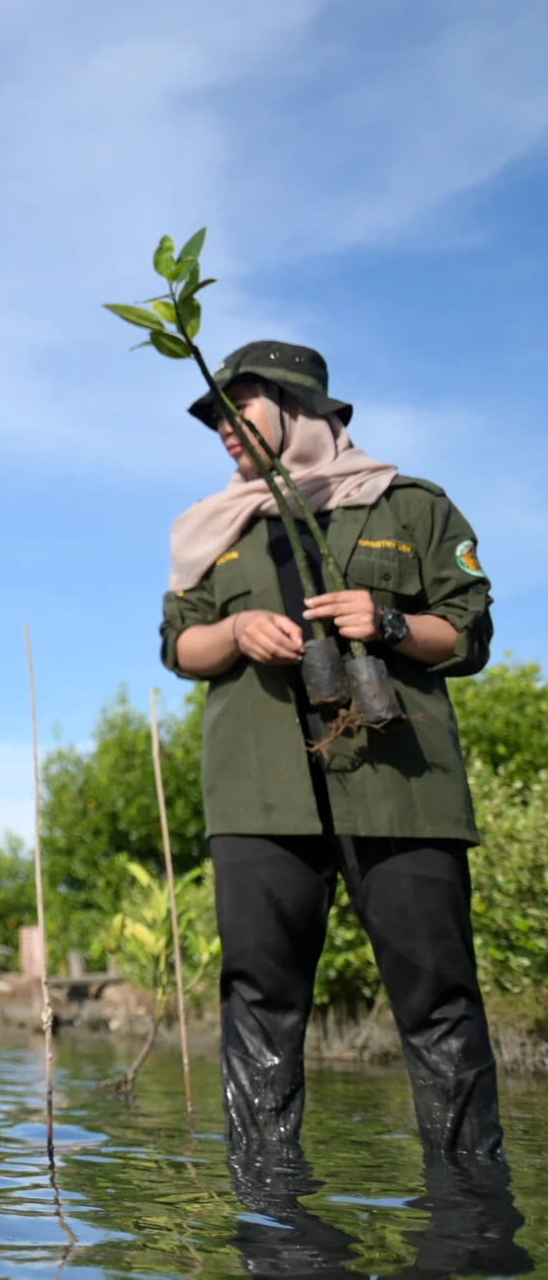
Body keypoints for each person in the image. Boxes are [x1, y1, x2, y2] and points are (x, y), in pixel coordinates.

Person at [161, 341, 502, 1172]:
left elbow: (470, 635)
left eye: (237, 411)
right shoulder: (215, 525)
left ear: (296, 403)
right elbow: (178, 646)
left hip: (402, 792)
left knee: (440, 1005)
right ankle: (272, 1215)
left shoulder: (412, 506)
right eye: (213, 420)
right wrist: (237, 631)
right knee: (259, 1004)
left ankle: (469, 1219)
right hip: (257, 800)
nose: (223, 433)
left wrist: (387, 623)